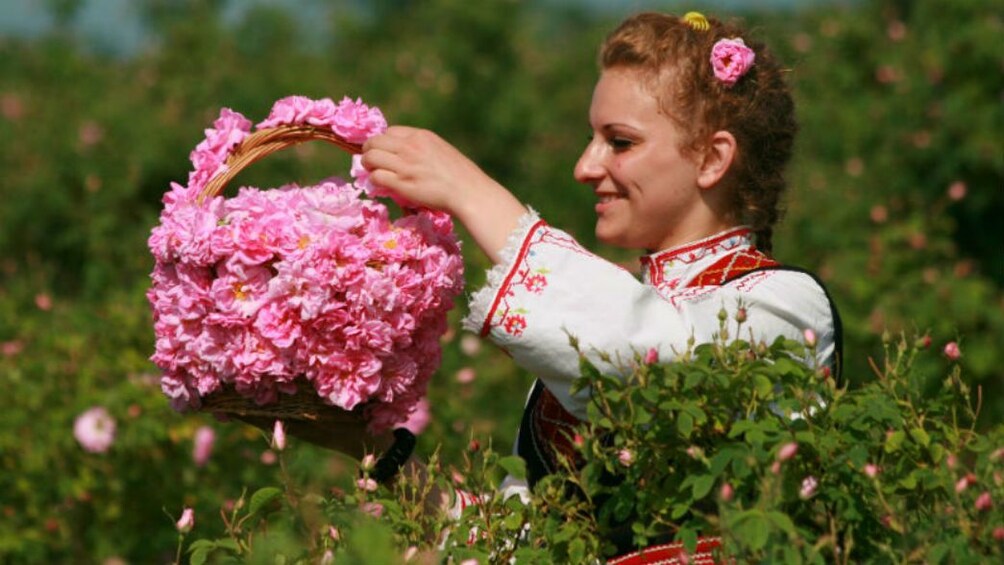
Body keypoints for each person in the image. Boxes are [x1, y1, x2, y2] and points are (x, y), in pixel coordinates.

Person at [358, 10, 842, 562]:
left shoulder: (785, 307)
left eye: (619, 142)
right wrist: (378, 449)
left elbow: (648, 352)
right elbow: (518, 544)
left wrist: (473, 192)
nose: (585, 166)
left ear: (712, 158)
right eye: (593, 139)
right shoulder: (591, 333)